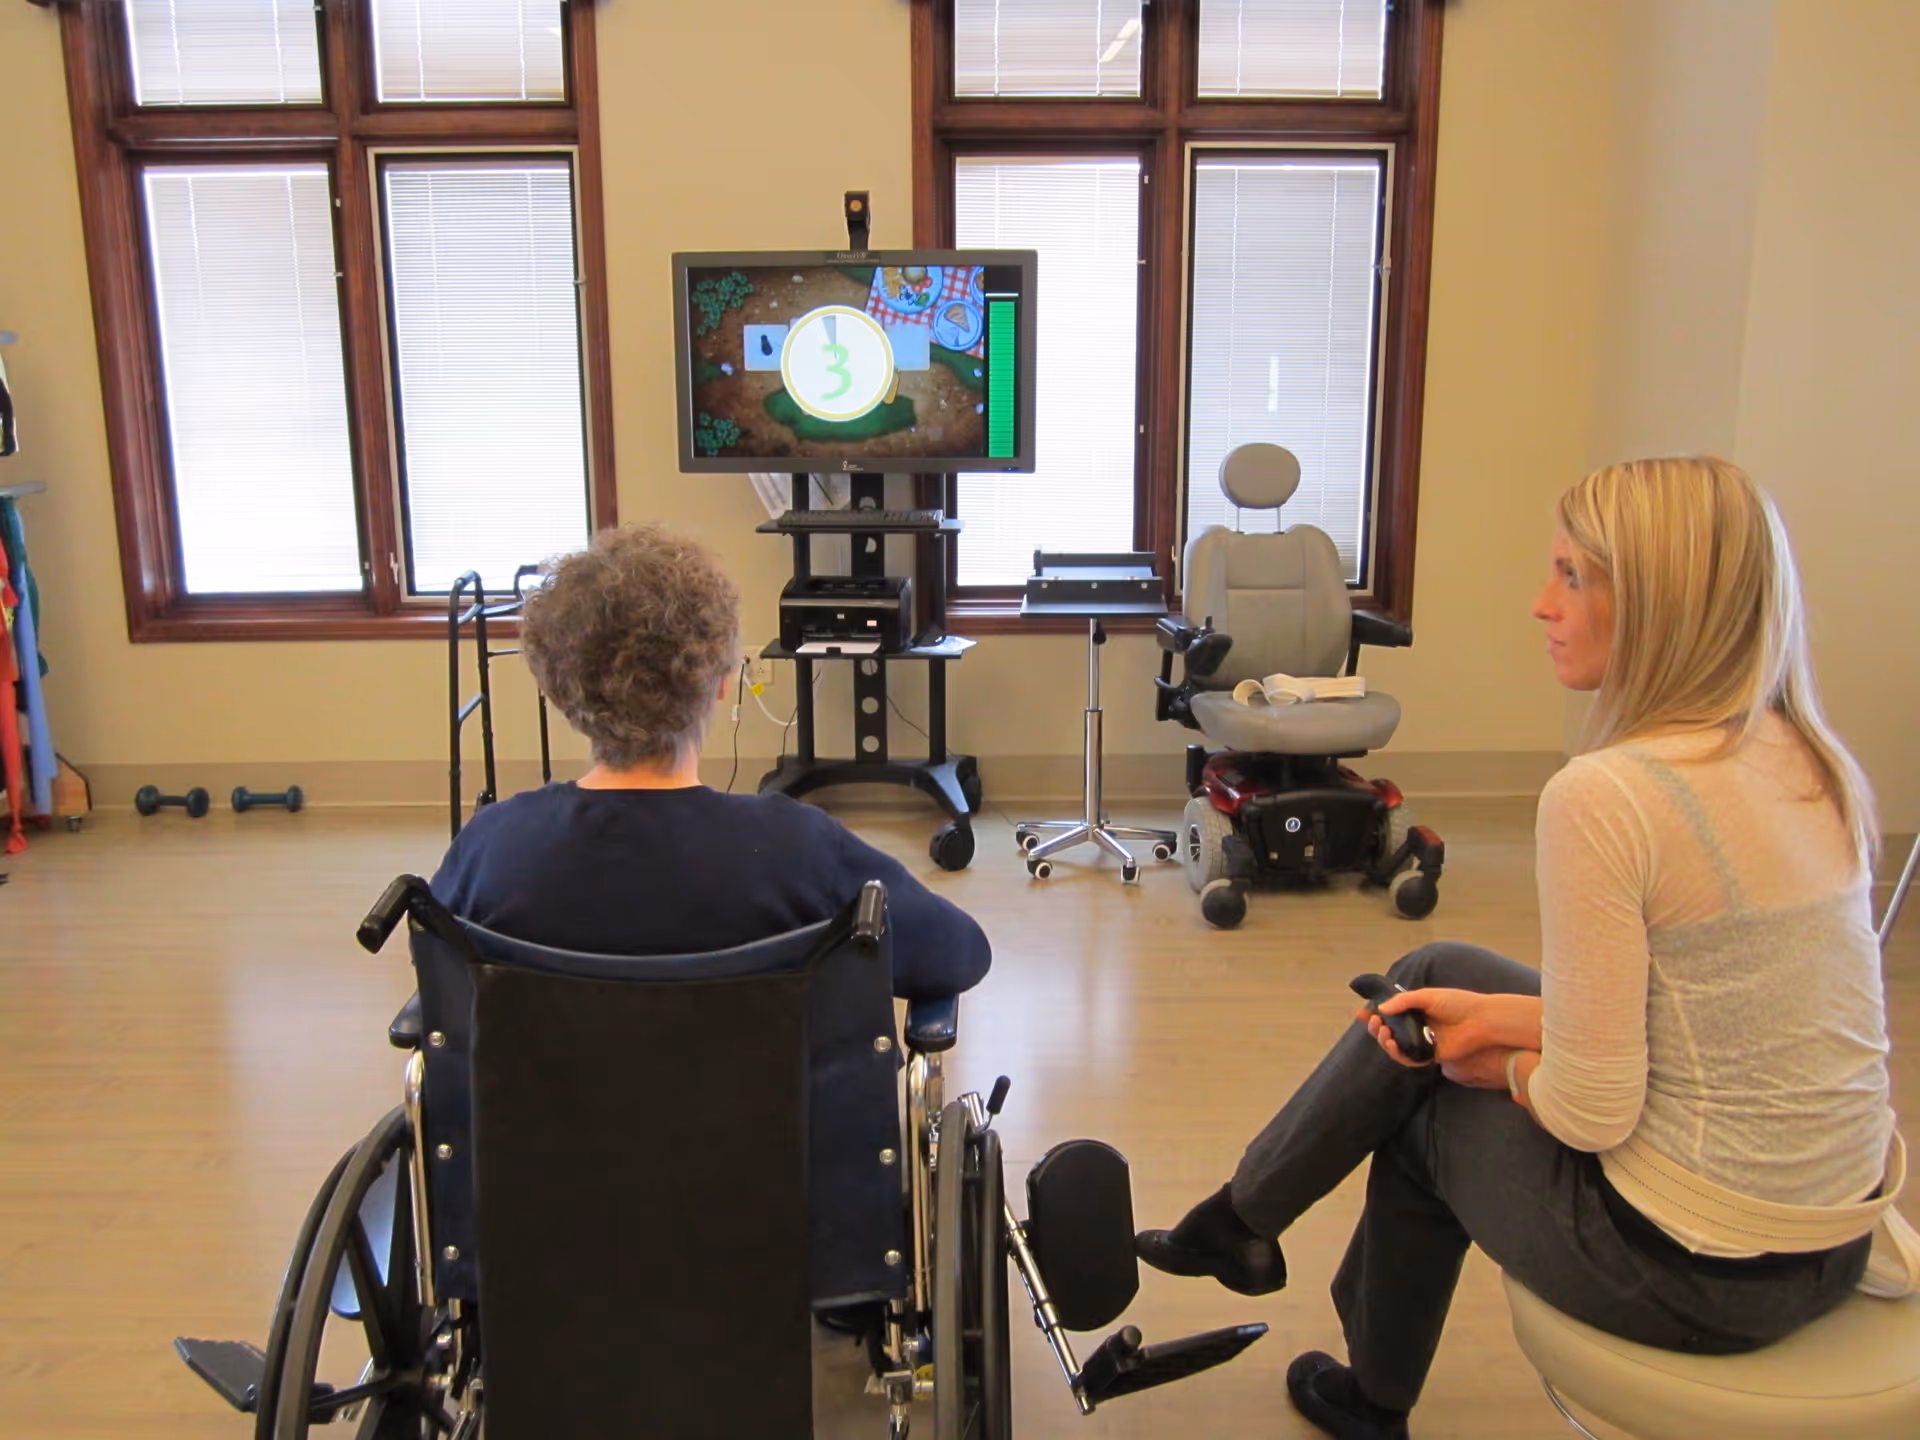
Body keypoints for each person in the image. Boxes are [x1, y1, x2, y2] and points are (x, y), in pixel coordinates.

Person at [1135, 457, 1908, 1440]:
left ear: (1661, 604)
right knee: (1431, 974)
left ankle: (1365, 1392)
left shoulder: (1610, 796)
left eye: (1575, 578)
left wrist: (1491, 1061)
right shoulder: (1808, 755)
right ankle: (1243, 1218)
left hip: (1704, 1275)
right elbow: (1720, 1022)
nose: (1541, 604)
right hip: (1834, 1238)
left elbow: (1593, 1108)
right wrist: (1495, 1019)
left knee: (1416, 1101)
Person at [433, 522, 991, 1004]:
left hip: (541, 1129)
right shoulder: (800, 849)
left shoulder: (492, 847)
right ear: (723, 680)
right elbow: (958, 957)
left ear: (556, 689)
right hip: (775, 1129)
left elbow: (437, 970)